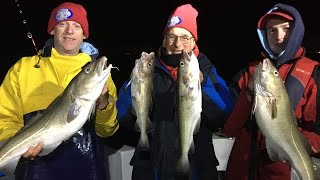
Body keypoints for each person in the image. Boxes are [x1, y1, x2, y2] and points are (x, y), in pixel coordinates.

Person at [0, 2, 119, 180]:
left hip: (88, 169)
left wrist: (103, 103)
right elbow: (5, 116)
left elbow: (107, 130)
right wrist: (12, 141)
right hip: (35, 169)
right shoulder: (22, 69)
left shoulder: (99, 76)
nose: (69, 31)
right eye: (63, 24)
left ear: (84, 35)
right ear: (52, 30)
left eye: (77, 26)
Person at [116, 3, 235, 180]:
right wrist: (135, 82)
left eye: (185, 38)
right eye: (171, 37)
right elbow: (122, 115)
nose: (178, 43)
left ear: (194, 41)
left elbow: (225, 113)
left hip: (197, 167)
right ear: (164, 40)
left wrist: (204, 84)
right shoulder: (147, 69)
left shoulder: (205, 69)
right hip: (151, 167)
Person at [223, 3, 320, 180]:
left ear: (297, 31)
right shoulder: (248, 72)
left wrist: (304, 143)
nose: (278, 36)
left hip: (282, 172)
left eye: (286, 29)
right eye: (271, 31)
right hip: (241, 170)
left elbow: (317, 129)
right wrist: (249, 95)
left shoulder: (313, 73)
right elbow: (229, 128)